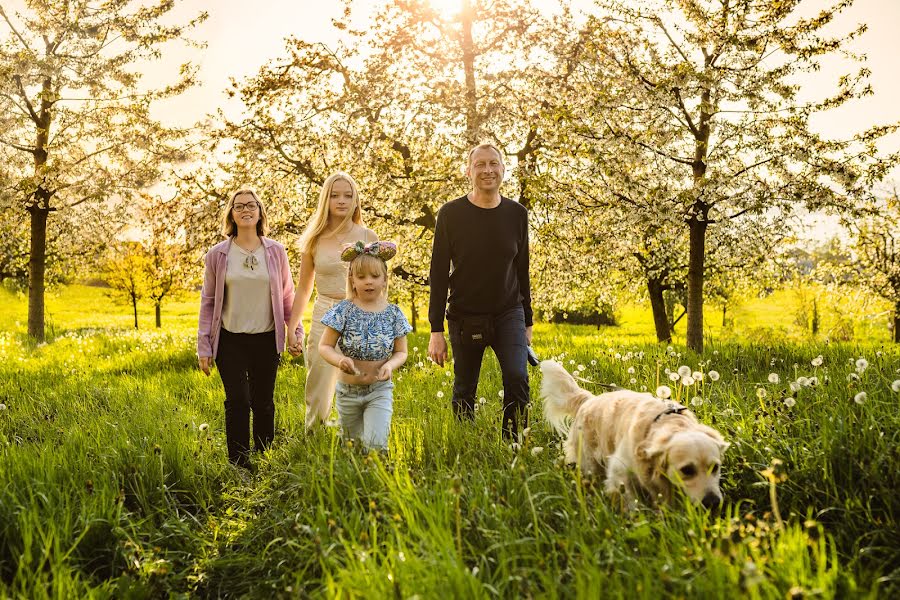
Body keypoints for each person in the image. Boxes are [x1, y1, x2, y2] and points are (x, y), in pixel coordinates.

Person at [427, 143, 533, 440]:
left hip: (508, 311)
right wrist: (436, 329)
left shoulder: (517, 214)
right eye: (480, 165)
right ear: (468, 172)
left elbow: (522, 269)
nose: (488, 170)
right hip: (465, 314)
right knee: (464, 388)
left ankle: (514, 444)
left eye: (494, 164)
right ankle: (466, 445)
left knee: (517, 377)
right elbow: (438, 273)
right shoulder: (450, 214)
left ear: (503, 169)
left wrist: (528, 321)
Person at [197, 189, 300, 468]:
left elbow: (288, 296)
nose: (246, 210)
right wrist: (204, 347)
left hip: (267, 339)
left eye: (251, 205)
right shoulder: (217, 255)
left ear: (259, 211)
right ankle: (239, 463)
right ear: (231, 213)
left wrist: (295, 332)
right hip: (230, 340)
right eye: (239, 205)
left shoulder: (276, 251)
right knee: (238, 401)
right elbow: (207, 303)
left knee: (263, 402)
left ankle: (265, 456)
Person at [286, 172, 377, 429]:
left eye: (348, 195)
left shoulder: (368, 237)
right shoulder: (314, 239)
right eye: (335, 195)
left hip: (360, 315)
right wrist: (292, 327)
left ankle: (358, 440)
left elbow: (380, 285)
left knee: (359, 381)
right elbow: (304, 288)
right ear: (326, 199)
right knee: (319, 381)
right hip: (325, 313)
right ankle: (314, 435)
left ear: (356, 201)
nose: (341, 201)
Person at [317, 241, 411, 450]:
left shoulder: (393, 313)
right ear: (352, 281)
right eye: (361, 277)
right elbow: (324, 346)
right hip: (348, 392)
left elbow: (401, 351)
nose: (368, 282)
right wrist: (340, 360)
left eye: (375, 277)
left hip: (379, 390)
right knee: (352, 447)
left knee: (376, 443)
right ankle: (356, 480)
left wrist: (390, 365)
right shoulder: (344, 310)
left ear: (385, 280)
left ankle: (379, 476)